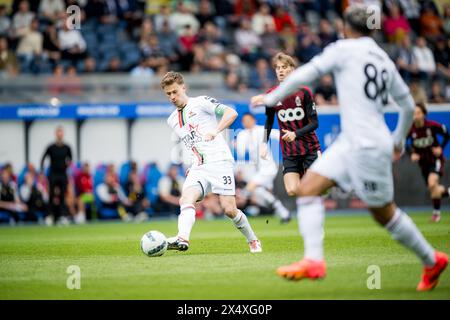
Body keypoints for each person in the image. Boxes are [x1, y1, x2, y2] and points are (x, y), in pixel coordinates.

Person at [250, 4, 448, 291]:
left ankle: (432, 260)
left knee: (384, 213)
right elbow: (406, 105)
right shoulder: (383, 58)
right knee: (306, 190)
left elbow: (305, 74)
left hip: (365, 145)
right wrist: (397, 140)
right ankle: (314, 261)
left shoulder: (343, 48)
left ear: (345, 28)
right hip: (356, 140)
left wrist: (271, 98)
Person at [161, 71, 262, 253]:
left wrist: (215, 131)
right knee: (186, 198)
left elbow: (231, 113)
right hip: (198, 166)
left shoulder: (201, 102)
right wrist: (192, 163)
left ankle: (253, 240)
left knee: (229, 210)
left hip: (219, 161)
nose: (172, 97)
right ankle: (182, 238)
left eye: (175, 92)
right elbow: (191, 143)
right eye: (168, 94)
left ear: (184, 87)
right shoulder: (172, 120)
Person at [261, 52, 321, 200]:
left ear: (292, 69)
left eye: (284, 67)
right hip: (290, 152)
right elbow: (269, 120)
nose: (280, 70)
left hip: (309, 148)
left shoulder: (304, 92)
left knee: (320, 188)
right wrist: (263, 143)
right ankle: (309, 194)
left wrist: (295, 134)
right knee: (292, 190)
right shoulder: (272, 94)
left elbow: (315, 123)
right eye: (277, 68)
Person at [236, 112, 290, 222]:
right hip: (257, 169)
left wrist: (290, 135)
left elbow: (278, 134)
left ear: (254, 120)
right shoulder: (242, 135)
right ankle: (283, 213)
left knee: (250, 188)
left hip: (268, 167)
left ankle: (237, 209)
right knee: (262, 192)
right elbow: (241, 152)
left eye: (249, 120)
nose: (247, 123)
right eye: (244, 121)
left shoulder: (262, 130)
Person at [407, 103, 450, 222]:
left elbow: (447, 134)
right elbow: (404, 143)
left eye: (418, 113)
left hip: (435, 160)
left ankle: (436, 215)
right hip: (423, 164)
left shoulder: (431, 126)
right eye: (414, 113)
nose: (416, 116)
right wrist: (411, 153)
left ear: (424, 114)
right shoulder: (410, 130)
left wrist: (441, 147)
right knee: (435, 190)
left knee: (432, 184)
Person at [40, 126, 72, 225]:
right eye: (58, 132)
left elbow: (70, 160)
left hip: (63, 174)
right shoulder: (51, 147)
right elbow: (43, 159)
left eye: (61, 132)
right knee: (51, 195)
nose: (60, 134)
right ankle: (49, 216)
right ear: (56, 134)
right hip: (53, 174)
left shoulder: (67, 147)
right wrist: (42, 173)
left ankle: (62, 216)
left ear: (63, 134)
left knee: (63, 195)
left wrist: (67, 169)